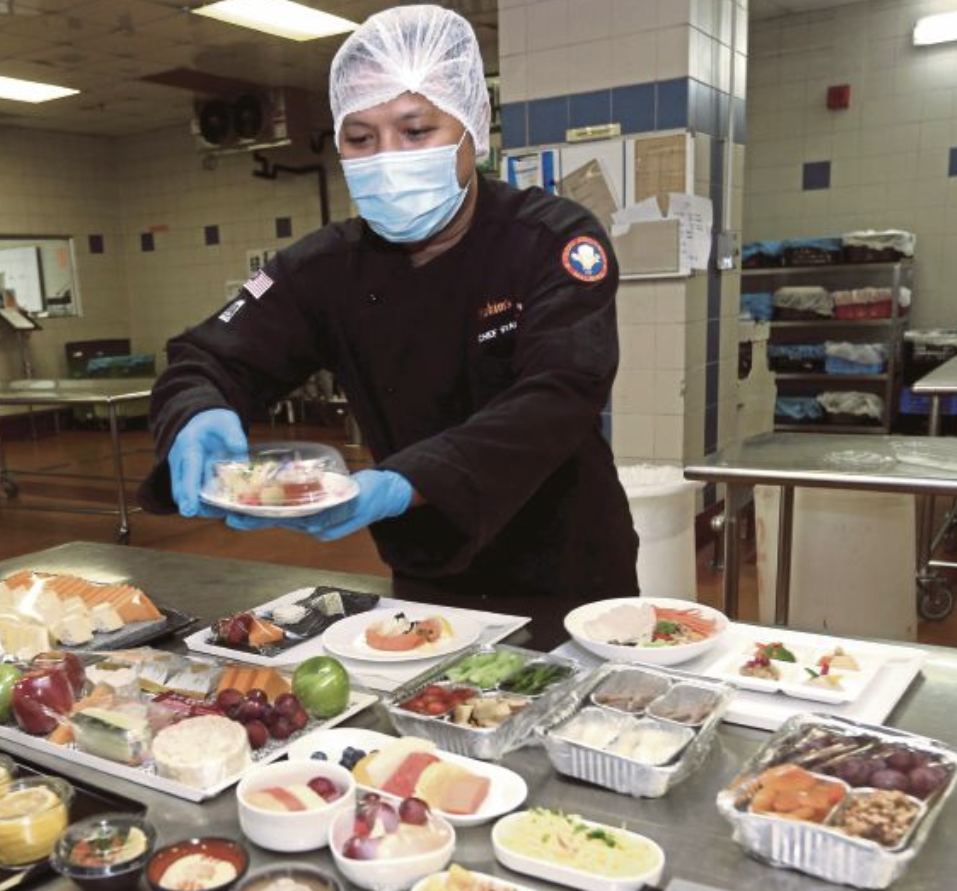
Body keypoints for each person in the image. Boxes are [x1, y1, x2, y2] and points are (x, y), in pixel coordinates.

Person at [138, 4, 638, 598]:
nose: (388, 158)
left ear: (473, 128)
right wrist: (196, 412)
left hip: (568, 562)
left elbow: (560, 393)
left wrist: (404, 481)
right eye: (360, 138)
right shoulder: (323, 268)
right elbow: (206, 358)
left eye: (416, 131)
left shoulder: (549, 239)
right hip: (429, 559)